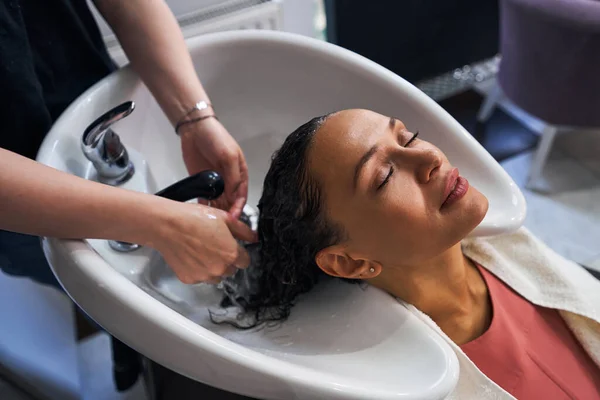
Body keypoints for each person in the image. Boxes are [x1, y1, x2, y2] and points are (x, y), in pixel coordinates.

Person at [224, 109, 600, 399]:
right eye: (385, 175)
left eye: (408, 137)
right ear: (350, 261)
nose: (428, 158)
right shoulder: (408, 383)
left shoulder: (509, 247)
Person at [0, 0, 256, 287]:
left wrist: (194, 119)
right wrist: (162, 225)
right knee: (88, 289)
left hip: (86, 91)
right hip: (22, 206)